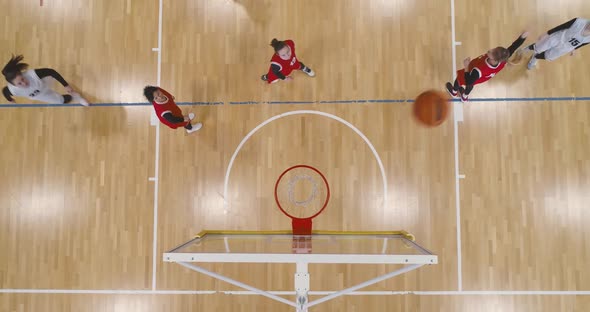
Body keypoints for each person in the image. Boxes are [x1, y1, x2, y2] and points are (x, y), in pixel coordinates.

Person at [445, 31, 529, 102]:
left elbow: (468, 82)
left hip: (472, 74)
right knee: (471, 85)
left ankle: (453, 91)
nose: (490, 50)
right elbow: (514, 46)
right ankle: (464, 97)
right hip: (480, 77)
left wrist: (466, 66)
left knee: (460, 79)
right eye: (494, 49)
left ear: (495, 59)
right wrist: (523, 36)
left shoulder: (479, 70)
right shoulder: (503, 59)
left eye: (492, 52)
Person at [2, 55, 89, 106]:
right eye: (19, 83)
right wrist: (10, 100)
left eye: (22, 79)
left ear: (22, 74)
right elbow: (5, 92)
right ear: (13, 85)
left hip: (44, 81)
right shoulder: (12, 90)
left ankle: (77, 96)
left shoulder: (33, 74)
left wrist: (66, 85)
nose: (24, 83)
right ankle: (67, 98)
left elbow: (51, 72)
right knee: (60, 101)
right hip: (40, 94)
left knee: (66, 87)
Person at [521, 17, 590, 69]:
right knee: (539, 47)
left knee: (548, 56)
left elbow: (582, 43)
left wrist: (574, 48)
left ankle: (535, 57)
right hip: (558, 37)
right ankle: (527, 48)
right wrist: (546, 33)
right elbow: (561, 26)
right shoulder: (578, 21)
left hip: (566, 47)